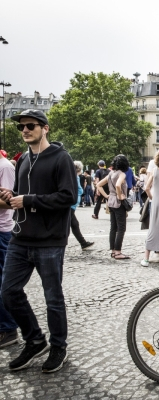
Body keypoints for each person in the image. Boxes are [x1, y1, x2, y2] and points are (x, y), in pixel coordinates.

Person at [0, 109, 78, 373]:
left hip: (50, 241)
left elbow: (68, 197)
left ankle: (58, 347)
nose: (24, 130)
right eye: (21, 127)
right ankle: (34, 339)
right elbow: (23, 195)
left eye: (30, 125)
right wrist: (12, 196)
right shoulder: (22, 160)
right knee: (8, 292)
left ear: (45, 128)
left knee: (52, 298)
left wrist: (29, 200)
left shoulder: (61, 158)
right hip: (20, 238)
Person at [97, 155, 130, 260]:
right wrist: (120, 196)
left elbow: (98, 185)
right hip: (118, 202)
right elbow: (118, 185)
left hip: (110, 201)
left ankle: (113, 251)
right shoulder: (121, 174)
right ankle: (118, 251)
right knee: (121, 228)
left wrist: (106, 195)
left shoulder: (111, 173)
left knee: (113, 227)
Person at [0, 150, 17, 349]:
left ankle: (8, 328)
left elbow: (10, 201)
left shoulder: (5, 167)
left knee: (4, 284)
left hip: (3, 231)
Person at [71, 162, 94, 251]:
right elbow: (78, 188)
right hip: (71, 204)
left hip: (72, 204)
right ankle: (83, 243)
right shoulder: (74, 176)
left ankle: (83, 243)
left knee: (74, 224)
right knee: (73, 224)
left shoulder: (73, 176)